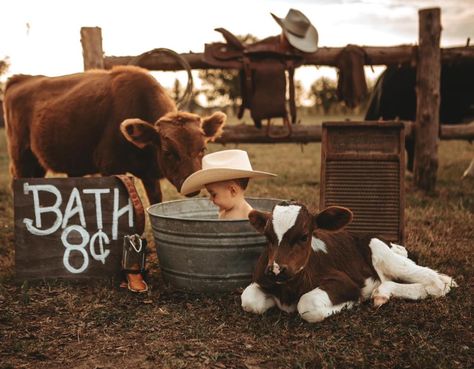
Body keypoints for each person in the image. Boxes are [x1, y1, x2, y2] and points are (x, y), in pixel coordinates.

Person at [180, 149, 276, 219]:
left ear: (232, 191)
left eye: (213, 194)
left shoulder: (247, 215)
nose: (210, 199)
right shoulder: (223, 212)